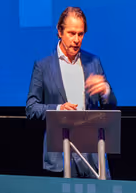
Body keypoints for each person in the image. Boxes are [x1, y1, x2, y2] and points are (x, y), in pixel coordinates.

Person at [26, 6, 118, 179]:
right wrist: (59, 109)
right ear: (59, 32)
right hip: (60, 155)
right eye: (71, 33)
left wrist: (105, 90)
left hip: (92, 153)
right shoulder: (43, 65)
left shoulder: (93, 62)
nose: (76, 40)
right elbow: (31, 108)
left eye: (80, 34)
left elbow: (111, 105)